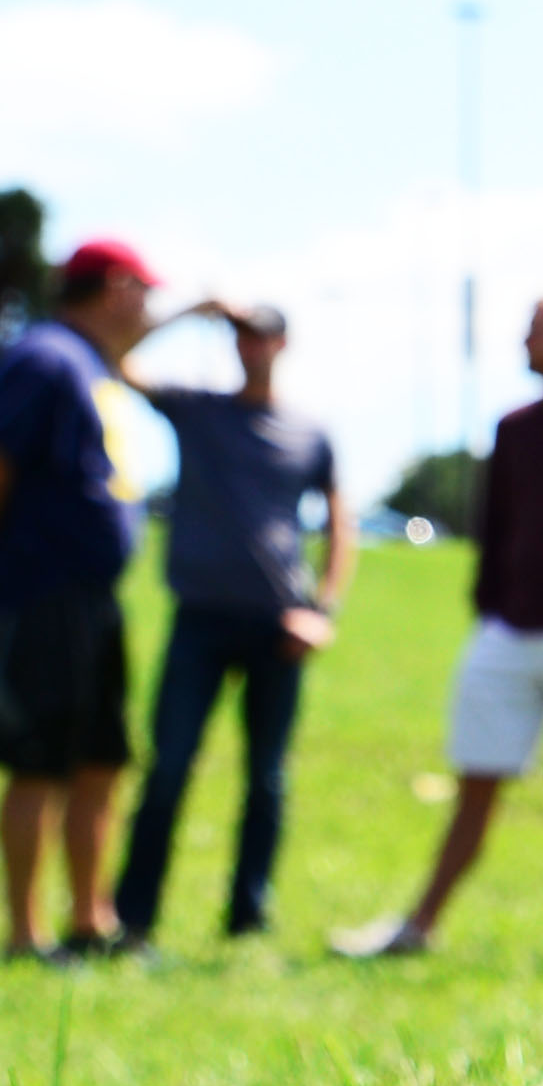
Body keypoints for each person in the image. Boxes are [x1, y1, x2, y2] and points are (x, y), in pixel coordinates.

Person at [338, 293, 543, 961]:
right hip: (509, 629)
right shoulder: (513, 430)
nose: (523, 344)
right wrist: (491, 606)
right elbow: (496, 528)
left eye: (535, 333)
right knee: (476, 781)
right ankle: (419, 925)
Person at [0, 232, 174, 959]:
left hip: (91, 594)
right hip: (39, 587)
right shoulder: (43, 358)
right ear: (115, 287)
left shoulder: (94, 365)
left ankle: (91, 923)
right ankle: (24, 937)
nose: (151, 306)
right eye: (145, 291)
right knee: (39, 761)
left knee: (100, 760)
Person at [108, 297, 351, 944]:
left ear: (283, 345)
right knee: (169, 767)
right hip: (200, 621)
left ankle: (248, 918)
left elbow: (338, 522)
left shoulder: (309, 430)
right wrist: (192, 310)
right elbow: (117, 358)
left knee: (266, 778)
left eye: (264, 337)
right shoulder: (197, 409)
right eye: (242, 336)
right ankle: (133, 918)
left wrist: (322, 611)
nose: (253, 347)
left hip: (280, 626)